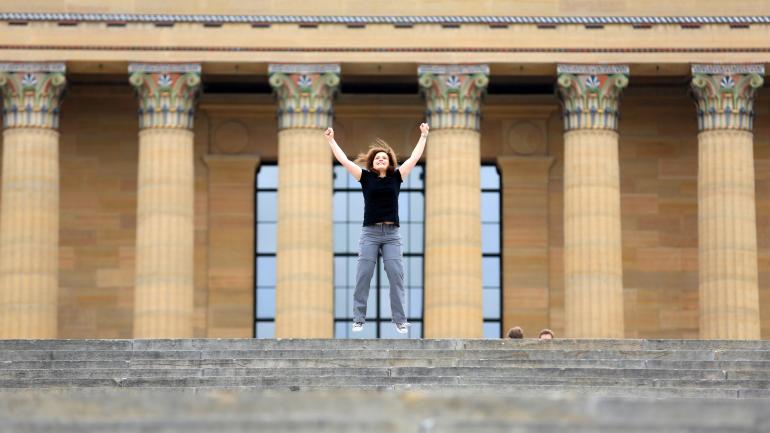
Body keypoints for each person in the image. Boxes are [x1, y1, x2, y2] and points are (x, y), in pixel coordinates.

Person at [325, 123, 429, 334]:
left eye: (384, 157)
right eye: (377, 158)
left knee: (396, 275)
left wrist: (424, 136)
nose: (380, 159)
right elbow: (344, 160)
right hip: (370, 234)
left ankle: (400, 320)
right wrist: (331, 141)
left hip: (392, 235)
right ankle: (358, 318)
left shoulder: (397, 177)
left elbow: (414, 158)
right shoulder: (365, 178)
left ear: (390, 162)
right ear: (372, 163)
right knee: (364, 275)